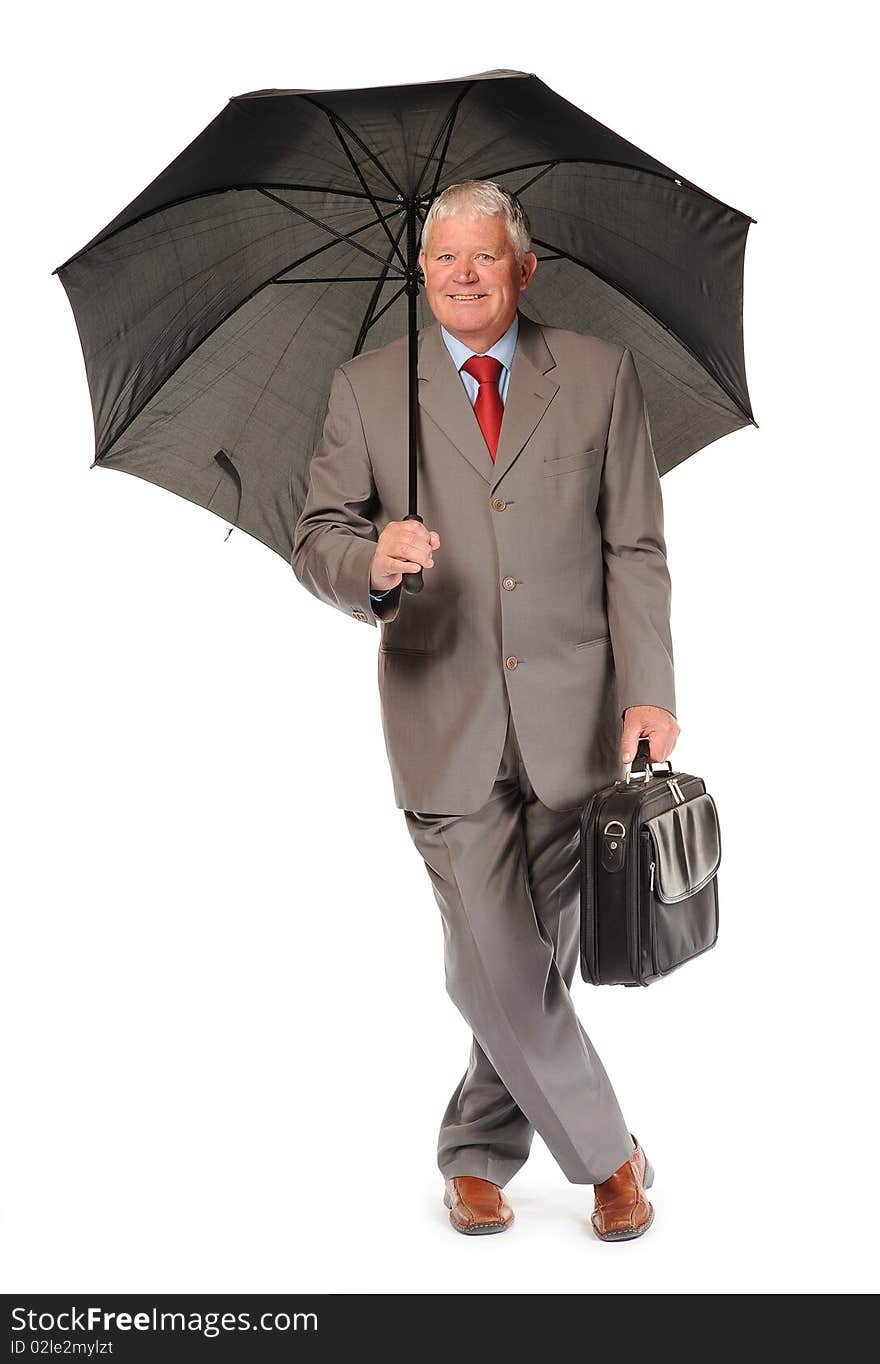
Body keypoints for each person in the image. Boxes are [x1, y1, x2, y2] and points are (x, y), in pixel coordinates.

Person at [291, 180, 679, 1242]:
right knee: (490, 958)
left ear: (523, 268)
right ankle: (608, 1154)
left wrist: (651, 687)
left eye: (484, 256)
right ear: (422, 272)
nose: (463, 273)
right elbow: (314, 532)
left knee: (528, 955)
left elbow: (632, 546)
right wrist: (368, 559)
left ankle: (473, 1149)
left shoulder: (599, 375)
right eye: (445, 257)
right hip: (440, 714)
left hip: (579, 715)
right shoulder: (371, 389)